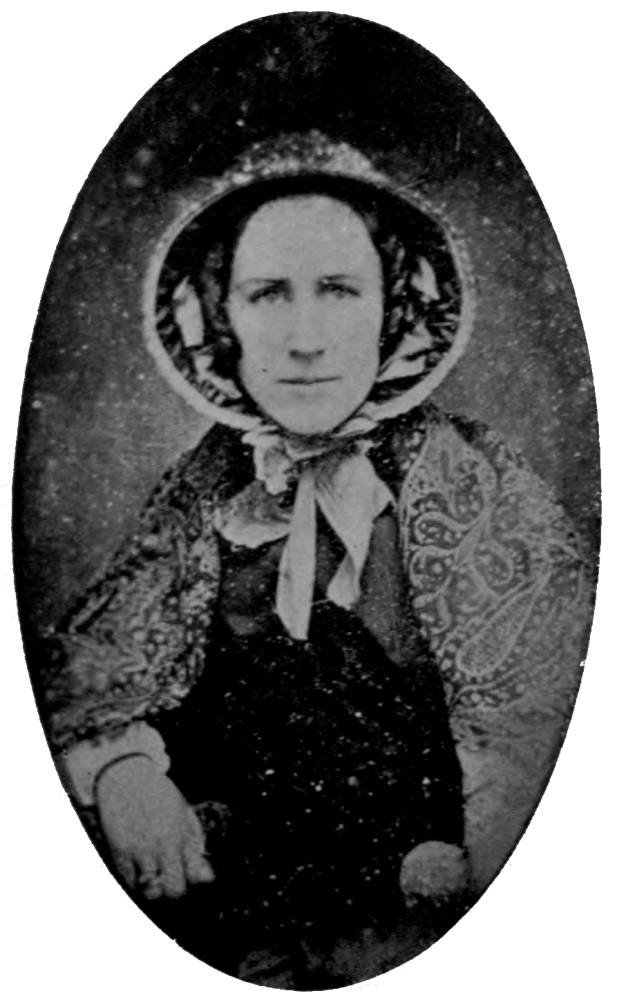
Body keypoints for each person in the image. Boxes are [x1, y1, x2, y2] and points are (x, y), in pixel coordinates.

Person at [41, 133, 591, 986]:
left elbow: (551, 746)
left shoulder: (479, 488)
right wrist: (124, 773)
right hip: (238, 929)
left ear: (395, 307)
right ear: (219, 315)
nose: (304, 339)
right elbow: (95, 678)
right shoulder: (202, 492)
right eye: (268, 294)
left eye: (338, 290)